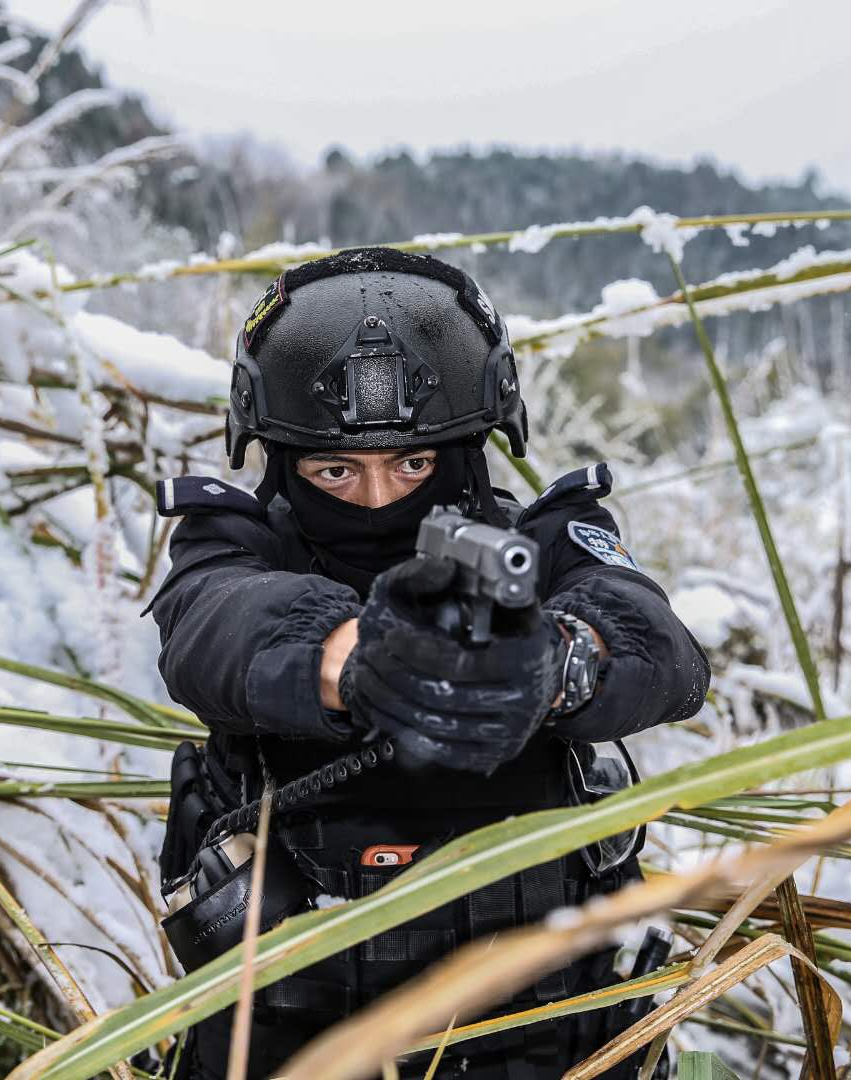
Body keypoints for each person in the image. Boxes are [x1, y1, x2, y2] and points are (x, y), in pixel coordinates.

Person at [146, 247, 710, 1079]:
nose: (379, 499)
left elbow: (660, 646)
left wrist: (559, 663)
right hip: (300, 1037)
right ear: (278, 454)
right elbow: (209, 626)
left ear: (469, 447)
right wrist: (353, 656)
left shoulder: (543, 540)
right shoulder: (236, 545)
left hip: (548, 1029)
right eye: (335, 470)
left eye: (413, 464)